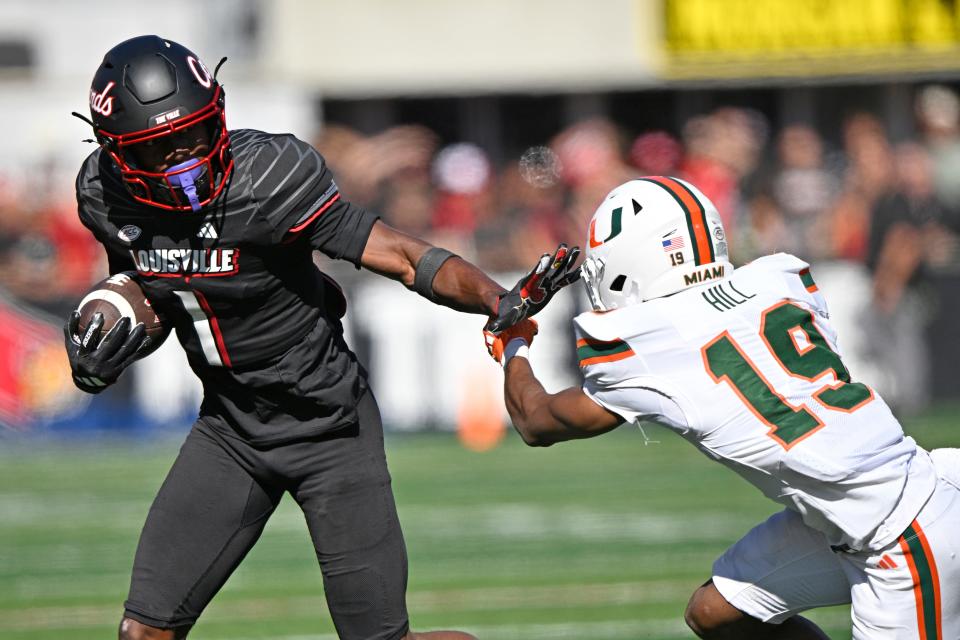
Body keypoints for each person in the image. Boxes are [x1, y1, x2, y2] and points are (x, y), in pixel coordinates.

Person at [64, 35, 578, 640]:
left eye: (195, 133)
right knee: (143, 632)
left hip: (330, 428)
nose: (183, 157)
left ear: (218, 116)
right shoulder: (104, 194)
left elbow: (403, 256)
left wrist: (496, 297)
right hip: (230, 431)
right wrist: (99, 350)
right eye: (158, 146)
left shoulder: (269, 177)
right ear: (117, 152)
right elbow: (147, 292)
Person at [485, 176, 960, 639]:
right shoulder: (778, 280)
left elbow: (537, 420)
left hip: (900, 534)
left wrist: (514, 342)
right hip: (872, 506)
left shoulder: (650, 343)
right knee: (716, 613)